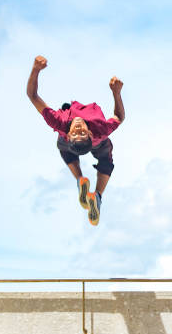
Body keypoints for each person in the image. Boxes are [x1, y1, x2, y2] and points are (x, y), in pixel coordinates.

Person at [26, 55, 125, 226]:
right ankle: (98, 196)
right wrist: (116, 93)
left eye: (76, 133)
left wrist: (35, 70)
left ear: (68, 134)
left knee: (63, 148)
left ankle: (80, 180)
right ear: (90, 134)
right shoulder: (101, 129)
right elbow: (119, 117)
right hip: (100, 143)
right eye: (81, 133)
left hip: (69, 143)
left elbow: (33, 96)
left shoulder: (60, 124)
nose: (78, 129)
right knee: (106, 161)